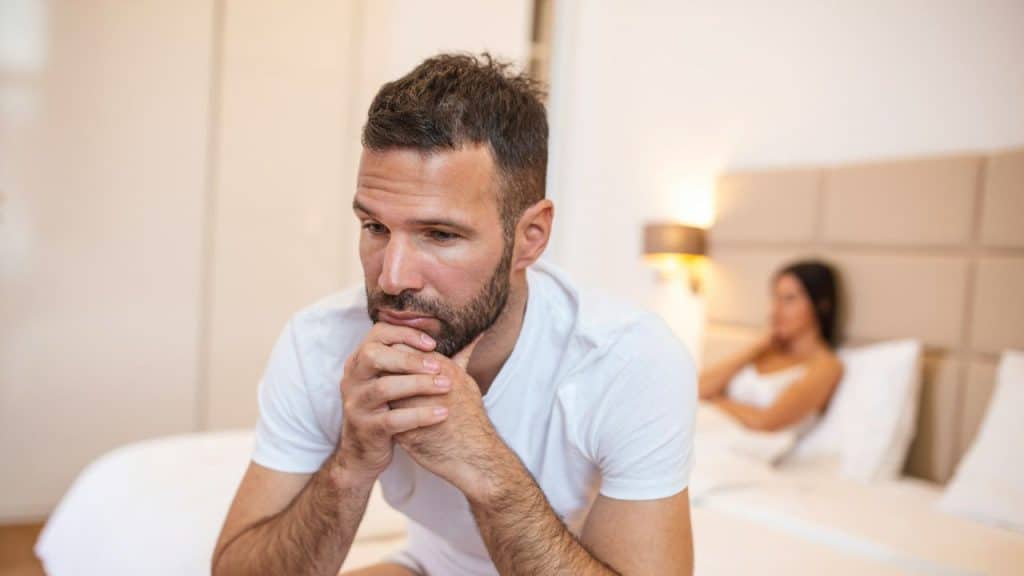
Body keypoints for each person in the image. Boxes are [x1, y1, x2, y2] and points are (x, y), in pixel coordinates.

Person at [212, 53, 696, 576]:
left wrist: (484, 464)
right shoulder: (320, 342)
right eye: (375, 227)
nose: (392, 278)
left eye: (440, 235)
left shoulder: (628, 361)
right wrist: (350, 466)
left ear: (529, 238)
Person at [699, 260, 843, 434]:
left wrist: (716, 401)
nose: (776, 310)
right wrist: (757, 348)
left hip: (743, 449)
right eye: (775, 298)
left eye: (789, 299)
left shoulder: (825, 366)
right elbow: (698, 388)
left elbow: (765, 421)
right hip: (706, 432)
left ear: (821, 304)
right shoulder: (763, 352)